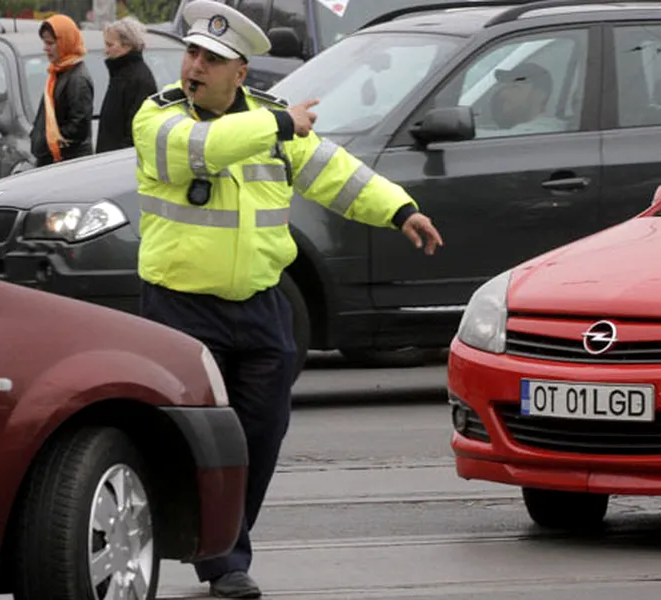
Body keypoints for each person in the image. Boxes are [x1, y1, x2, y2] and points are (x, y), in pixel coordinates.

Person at [129, 1, 443, 597]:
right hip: (182, 310)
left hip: (262, 306)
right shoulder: (159, 117)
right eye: (192, 52)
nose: (193, 66)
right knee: (191, 441)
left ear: (239, 73)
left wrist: (399, 209)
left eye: (211, 59)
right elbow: (204, 149)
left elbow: (335, 174)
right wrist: (280, 126)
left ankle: (222, 545)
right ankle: (221, 560)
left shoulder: (273, 121)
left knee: (262, 435)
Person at [31, 14, 94, 167]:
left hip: (67, 163)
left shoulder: (77, 79)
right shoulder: (59, 71)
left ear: (64, 43)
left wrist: (49, 141)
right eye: (45, 43)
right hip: (53, 160)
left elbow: (78, 127)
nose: (45, 48)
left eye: (50, 43)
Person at [97, 16, 158, 153]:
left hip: (119, 163)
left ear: (127, 45)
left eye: (110, 45)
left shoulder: (138, 79)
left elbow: (134, 132)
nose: (106, 51)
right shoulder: (119, 74)